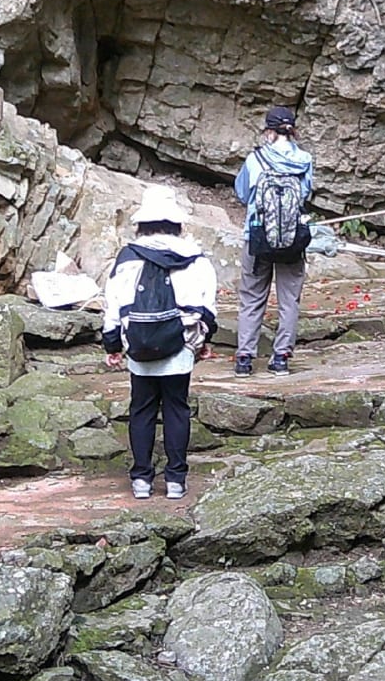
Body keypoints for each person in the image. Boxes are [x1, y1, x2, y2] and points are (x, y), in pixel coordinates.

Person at [99, 187, 217, 500]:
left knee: (142, 409)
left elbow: (113, 306)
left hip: (139, 343)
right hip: (181, 343)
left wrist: (112, 344)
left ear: (142, 223)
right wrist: (206, 339)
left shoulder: (127, 258)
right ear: (176, 223)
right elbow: (208, 305)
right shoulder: (194, 258)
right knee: (177, 408)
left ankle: (141, 479)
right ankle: (176, 479)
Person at [232, 105, 315, 375]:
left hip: (257, 238)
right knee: (289, 300)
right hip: (292, 240)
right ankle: (281, 358)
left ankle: (245, 359)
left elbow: (243, 194)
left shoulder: (255, 159)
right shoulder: (304, 160)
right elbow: (306, 194)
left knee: (252, 297)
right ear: (292, 131)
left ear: (269, 131)